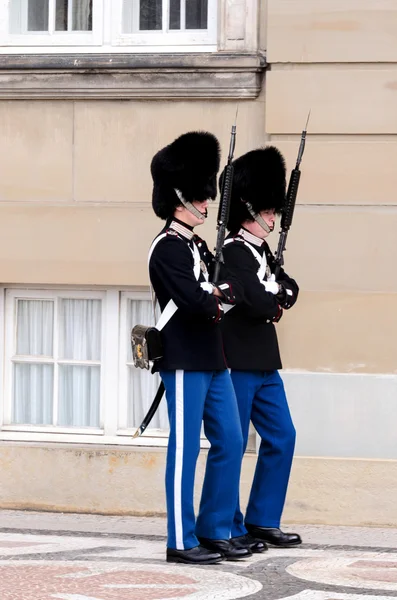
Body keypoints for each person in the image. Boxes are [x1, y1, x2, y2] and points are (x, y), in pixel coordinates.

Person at [149, 131, 251, 564]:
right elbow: (197, 301)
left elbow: (225, 290)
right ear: (180, 198)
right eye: (201, 198)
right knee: (186, 448)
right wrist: (220, 295)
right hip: (186, 359)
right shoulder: (167, 249)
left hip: (214, 358)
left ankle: (214, 529)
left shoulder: (196, 245)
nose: (207, 204)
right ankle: (180, 540)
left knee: (231, 440)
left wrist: (221, 292)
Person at [220, 146, 302, 549]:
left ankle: (263, 518)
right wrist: (275, 296)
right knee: (233, 445)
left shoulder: (263, 251)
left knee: (283, 437)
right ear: (249, 210)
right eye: (268, 212)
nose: (274, 219)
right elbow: (259, 301)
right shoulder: (232, 251)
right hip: (237, 361)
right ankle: (229, 523)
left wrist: (277, 293)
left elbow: (290, 289)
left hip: (266, 361)